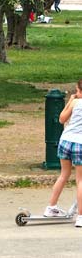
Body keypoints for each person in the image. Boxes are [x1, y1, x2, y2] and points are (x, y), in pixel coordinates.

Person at [44, 80, 82, 227]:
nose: (76, 94)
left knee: (64, 175)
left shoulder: (75, 103)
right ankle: (80, 217)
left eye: (78, 91)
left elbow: (61, 119)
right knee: (80, 180)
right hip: (79, 143)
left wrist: (70, 102)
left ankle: (51, 207)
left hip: (65, 141)